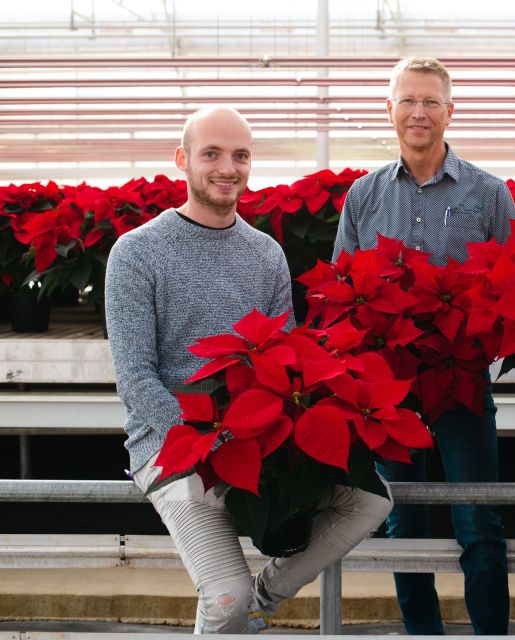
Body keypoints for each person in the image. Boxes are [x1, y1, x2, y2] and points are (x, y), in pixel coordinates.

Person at [105, 107, 393, 634]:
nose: (227, 168)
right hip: (173, 448)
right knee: (226, 596)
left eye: (240, 155)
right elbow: (136, 378)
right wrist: (210, 446)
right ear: (182, 160)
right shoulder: (137, 252)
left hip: (258, 442)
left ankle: (265, 598)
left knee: (371, 501)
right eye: (211, 154)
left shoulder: (266, 254)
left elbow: (286, 361)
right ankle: (244, 607)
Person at [332, 57, 515, 635]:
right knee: (403, 521)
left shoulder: (489, 194)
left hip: (461, 381)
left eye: (431, 101)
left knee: (478, 521)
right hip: (386, 389)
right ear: (389, 110)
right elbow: (342, 288)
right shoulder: (363, 195)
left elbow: (511, 289)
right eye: (408, 101)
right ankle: (422, 632)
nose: (419, 112)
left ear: (450, 111)